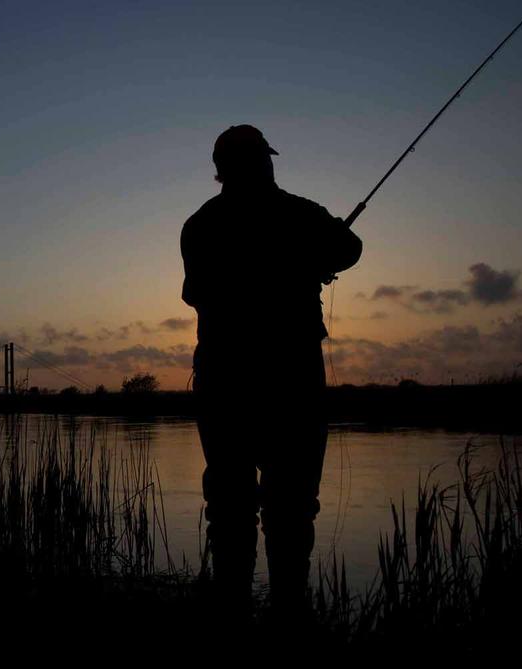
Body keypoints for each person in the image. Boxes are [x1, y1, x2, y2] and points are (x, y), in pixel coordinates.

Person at [181, 125, 362, 612]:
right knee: (291, 504)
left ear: (221, 169)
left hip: (223, 378)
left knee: (230, 504)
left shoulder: (199, 225)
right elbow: (350, 249)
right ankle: (288, 610)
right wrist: (306, 261)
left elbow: (194, 293)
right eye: (265, 159)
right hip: (290, 377)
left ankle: (233, 607)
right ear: (265, 162)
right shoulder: (300, 213)